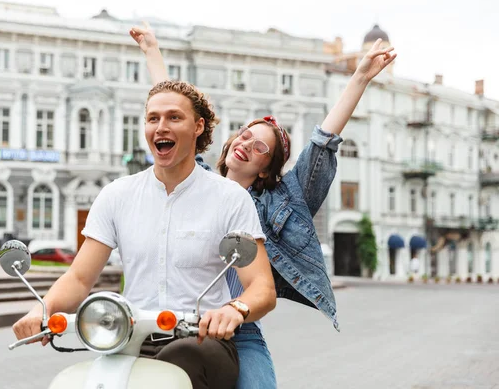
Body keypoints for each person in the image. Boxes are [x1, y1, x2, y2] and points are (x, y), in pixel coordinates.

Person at [131, 23, 396, 389]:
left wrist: (360, 78)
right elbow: (174, 111)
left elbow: (322, 144)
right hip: (177, 323)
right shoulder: (193, 181)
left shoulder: (276, 203)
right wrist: (151, 52)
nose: (246, 144)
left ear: (266, 169)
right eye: (245, 135)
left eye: (260, 148)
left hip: (240, 328)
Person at [12, 80, 277, 389]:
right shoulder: (116, 195)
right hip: (129, 338)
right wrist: (41, 309)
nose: (161, 127)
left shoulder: (229, 197)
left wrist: (234, 310)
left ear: (198, 126)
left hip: (202, 341)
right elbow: (80, 279)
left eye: (174, 117)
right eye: (153, 118)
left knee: (182, 356)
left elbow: (261, 287)